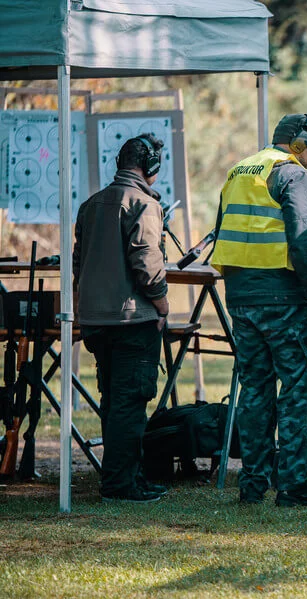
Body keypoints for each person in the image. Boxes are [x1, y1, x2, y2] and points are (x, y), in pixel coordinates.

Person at [209, 113, 307, 508]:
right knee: (298, 389)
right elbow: (304, 238)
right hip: (283, 298)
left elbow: (223, 230)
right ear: (300, 144)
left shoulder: (238, 171)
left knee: (254, 389)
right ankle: (295, 484)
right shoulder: (294, 175)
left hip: (242, 298)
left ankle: (253, 483)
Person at [74, 133, 170, 503]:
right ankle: (120, 485)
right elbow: (147, 261)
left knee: (114, 402)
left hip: (96, 320)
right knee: (130, 403)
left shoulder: (90, 204)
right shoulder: (143, 204)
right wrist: (162, 303)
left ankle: (125, 477)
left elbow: (78, 262)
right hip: (133, 320)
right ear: (151, 168)